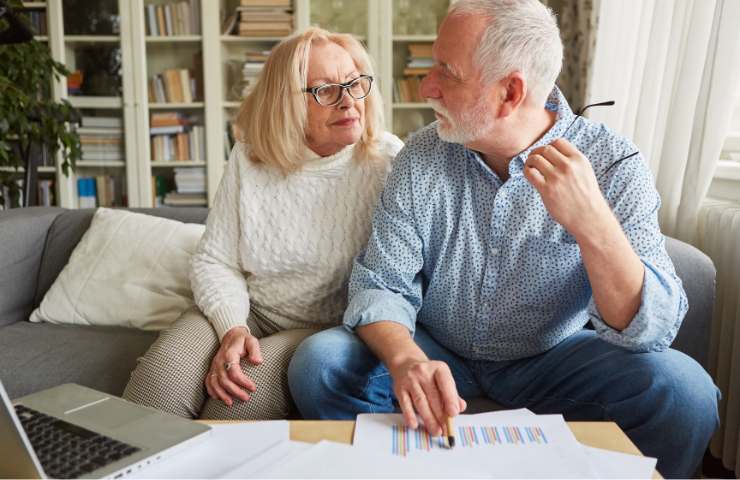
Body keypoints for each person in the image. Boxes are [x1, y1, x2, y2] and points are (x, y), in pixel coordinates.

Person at [287, 1, 719, 477]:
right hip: (439, 348)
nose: (426, 87)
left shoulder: (613, 163)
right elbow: (382, 283)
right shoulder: (421, 156)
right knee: (319, 364)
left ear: (510, 92)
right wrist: (407, 358)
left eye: (446, 73)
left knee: (685, 393)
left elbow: (650, 329)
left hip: (556, 356)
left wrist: (593, 224)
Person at [122, 27, 403, 420]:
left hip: (326, 329)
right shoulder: (250, 156)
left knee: (233, 402)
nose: (348, 101)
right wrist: (232, 328)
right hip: (252, 310)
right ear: (286, 103)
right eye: (324, 90)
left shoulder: (388, 161)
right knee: (157, 387)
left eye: (355, 83)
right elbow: (215, 260)